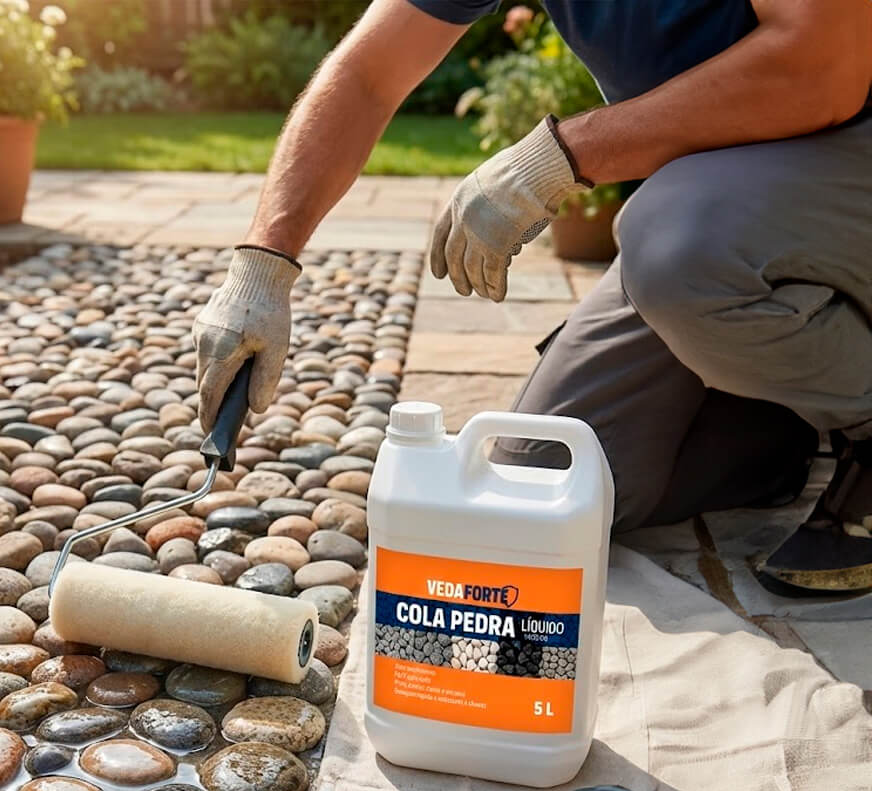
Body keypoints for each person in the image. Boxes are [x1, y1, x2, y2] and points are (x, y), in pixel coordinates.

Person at [192, 0, 872, 593]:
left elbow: (818, 68)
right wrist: (264, 265)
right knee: (546, 481)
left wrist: (563, 155)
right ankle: (798, 412)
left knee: (676, 250)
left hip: (844, 150)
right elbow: (369, 75)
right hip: (754, 207)